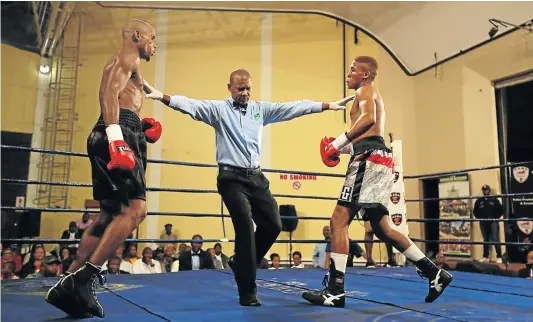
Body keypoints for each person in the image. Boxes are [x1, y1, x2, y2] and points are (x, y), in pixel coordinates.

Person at [143, 69, 352, 306]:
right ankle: (248, 291)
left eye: (248, 88)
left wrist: (325, 105)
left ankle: (241, 263)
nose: (245, 93)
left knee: (274, 224)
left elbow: (292, 108)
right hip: (231, 179)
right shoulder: (218, 110)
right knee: (244, 226)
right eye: (240, 88)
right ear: (230, 87)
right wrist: (161, 96)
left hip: (256, 178)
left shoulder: (259, 110)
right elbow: (190, 105)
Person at [302, 56, 453, 308]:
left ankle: (335, 290)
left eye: (353, 70)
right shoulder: (369, 93)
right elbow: (371, 135)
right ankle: (434, 273)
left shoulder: (365, 90)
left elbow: (369, 120)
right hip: (375, 158)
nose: (348, 74)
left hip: (369, 160)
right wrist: (342, 150)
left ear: (365, 74)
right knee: (382, 229)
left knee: (338, 220)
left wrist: (337, 143)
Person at [45, 19, 160, 319]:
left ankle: (67, 281)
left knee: (108, 214)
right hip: (116, 131)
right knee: (136, 211)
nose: (154, 44)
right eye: (151, 37)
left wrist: (139, 125)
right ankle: (83, 279)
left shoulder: (133, 68)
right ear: (137, 36)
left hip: (114, 129)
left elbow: (124, 97)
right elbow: (108, 93)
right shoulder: (127, 57)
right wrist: (118, 139)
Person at [473, 184, 504, 263]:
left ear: (489, 190)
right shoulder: (479, 201)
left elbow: (501, 210)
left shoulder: (494, 200)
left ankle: (499, 256)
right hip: (483, 222)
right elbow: (475, 211)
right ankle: (485, 256)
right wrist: (480, 218)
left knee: (495, 239)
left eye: (486, 190)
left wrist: (495, 217)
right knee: (485, 240)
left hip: (493, 222)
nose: (485, 191)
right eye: (483, 190)